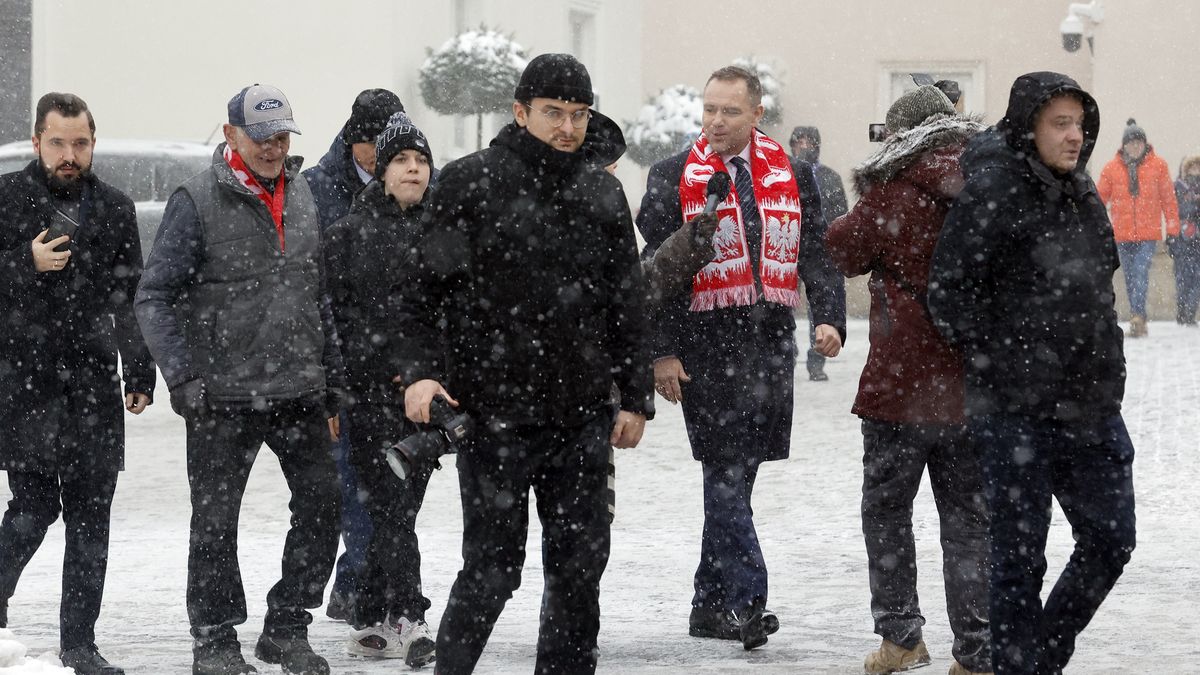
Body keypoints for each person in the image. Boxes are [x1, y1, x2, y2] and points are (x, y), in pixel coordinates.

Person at [393, 53, 654, 674]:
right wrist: (421, 373)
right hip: (494, 414)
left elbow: (627, 300)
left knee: (578, 571)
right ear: (520, 111)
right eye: (554, 113)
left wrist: (635, 395)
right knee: (492, 570)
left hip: (582, 416)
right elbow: (420, 292)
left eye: (579, 114)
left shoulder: (603, 191)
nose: (568, 127)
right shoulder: (469, 182)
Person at [929, 72, 1136, 675]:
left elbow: (1102, 288)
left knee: (1111, 538)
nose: (1075, 138)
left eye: (1080, 124)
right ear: (1029, 127)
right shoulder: (992, 189)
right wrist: (1005, 362)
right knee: (1019, 558)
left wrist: (1107, 358)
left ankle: (1040, 655)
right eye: (1060, 124)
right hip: (1014, 410)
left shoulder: (1083, 192)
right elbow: (948, 293)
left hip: (1091, 403)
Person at [135, 84, 344, 675]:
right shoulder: (196, 199)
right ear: (231, 135)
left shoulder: (303, 193)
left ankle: (286, 627)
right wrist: (182, 378)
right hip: (221, 396)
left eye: (282, 136)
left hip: (300, 390)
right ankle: (214, 638)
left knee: (325, 505)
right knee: (216, 522)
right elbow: (153, 297)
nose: (274, 148)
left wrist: (331, 376)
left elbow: (317, 290)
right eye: (262, 136)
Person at [637, 65, 846, 651]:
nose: (716, 121)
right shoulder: (673, 175)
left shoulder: (793, 174)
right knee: (725, 471)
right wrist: (662, 351)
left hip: (769, 343)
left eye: (730, 111)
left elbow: (817, 255)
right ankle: (749, 600)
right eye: (708, 110)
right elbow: (655, 272)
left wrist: (828, 318)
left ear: (757, 115)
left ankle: (707, 605)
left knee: (736, 477)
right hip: (705, 346)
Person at [826, 85, 992, 675]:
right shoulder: (989, 188)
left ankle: (901, 636)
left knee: (888, 513)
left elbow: (842, 250)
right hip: (973, 386)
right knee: (970, 522)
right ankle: (976, 651)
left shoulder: (892, 191)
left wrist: (862, 196)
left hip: (900, 386)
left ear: (899, 137)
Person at [0, 92, 155, 675]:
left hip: (92, 381)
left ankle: (81, 644)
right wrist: (22, 262)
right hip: (26, 379)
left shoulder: (114, 208)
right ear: (37, 141)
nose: (71, 154)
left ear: (93, 143)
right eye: (59, 142)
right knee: (33, 508)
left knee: (93, 517)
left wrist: (139, 372)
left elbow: (130, 295)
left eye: (81, 143)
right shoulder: (6, 200)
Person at [323, 112, 437, 667]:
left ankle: (371, 611)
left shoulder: (444, 232)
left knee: (401, 508)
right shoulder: (348, 232)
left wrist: (431, 368)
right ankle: (408, 617)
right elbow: (335, 316)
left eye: (420, 161)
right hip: (367, 396)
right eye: (401, 160)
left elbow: (457, 314)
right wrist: (341, 386)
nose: (412, 170)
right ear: (383, 170)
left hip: (428, 399)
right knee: (387, 506)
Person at [302, 87, 405, 622]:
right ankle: (363, 585)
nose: (386, 156)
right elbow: (315, 288)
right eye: (375, 145)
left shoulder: (412, 181)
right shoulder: (318, 190)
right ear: (355, 141)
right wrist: (328, 376)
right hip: (341, 361)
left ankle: (362, 581)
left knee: (391, 483)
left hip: (398, 362)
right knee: (352, 483)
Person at [1097, 118, 1180, 337]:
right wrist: (1094, 226)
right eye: (1130, 142)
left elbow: (1168, 199)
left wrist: (1172, 230)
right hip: (1122, 234)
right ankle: (1138, 316)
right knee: (1131, 276)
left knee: (1141, 272)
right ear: (1123, 145)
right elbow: (1098, 199)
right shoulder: (1111, 168)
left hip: (1148, 233)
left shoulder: (1158, 166)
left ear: (1145, 144)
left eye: (1138, 142)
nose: (1134, 146)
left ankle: (1137, 315)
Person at [790, 124, 849, 381]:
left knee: (820, 310)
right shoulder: (782, 173)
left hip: (819, 252)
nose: (804, 147)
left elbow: (840, 214)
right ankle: (787, 354)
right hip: (787, 252)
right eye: (799, 142)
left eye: (809, 142)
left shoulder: (830, 177)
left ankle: (817, 362)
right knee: (784, 308)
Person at [1171, 155, 1200, 325]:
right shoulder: (1178, 187)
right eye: (1192, 167)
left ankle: (1190, 311)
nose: (1195, 171)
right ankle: (1182, 310)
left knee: (1197, 278)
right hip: (1182, 240)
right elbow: (1175, 209)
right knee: (1183, 277)